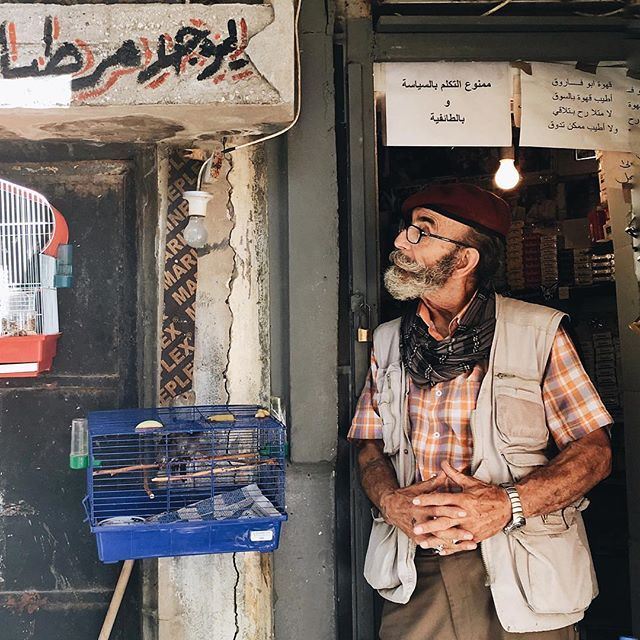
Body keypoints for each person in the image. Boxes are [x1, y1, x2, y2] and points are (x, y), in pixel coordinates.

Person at [348, 183, 613, 640]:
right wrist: (392, 504)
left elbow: (595, 453)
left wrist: (506, 506)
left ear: (465, 259)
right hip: (417, 571)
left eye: (420, 232)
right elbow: (370, 449)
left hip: (524, 568)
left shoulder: (537, 332)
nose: (399, 242)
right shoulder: (389, 341)